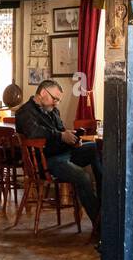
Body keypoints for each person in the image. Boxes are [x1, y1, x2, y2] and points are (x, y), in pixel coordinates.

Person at [14, 79, 103, 231]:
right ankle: (100, 224)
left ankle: (104, 204)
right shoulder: (24, 112)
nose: (56, 103)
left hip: (64, 153)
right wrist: (61, 136)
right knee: (82, 177)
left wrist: (72, 138)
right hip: (47, 162)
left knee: (97, 148)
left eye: (58, 100)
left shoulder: (53, 110)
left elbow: (61, 130)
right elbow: (34, 132)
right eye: (54, 99)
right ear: (42, 93)